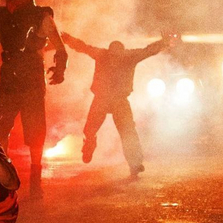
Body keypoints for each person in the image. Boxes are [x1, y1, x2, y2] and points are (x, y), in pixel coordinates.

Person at [0, 0, 68, 198]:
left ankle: (35, 182)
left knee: (35, 130)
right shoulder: (2, 17)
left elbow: (60, 47)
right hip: (9, 78)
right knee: (0, 127)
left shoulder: (41, 16)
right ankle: (2, 176)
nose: (11, 4)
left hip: (31, 79)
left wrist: (60, 68)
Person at [61, 32, 168, 176]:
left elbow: (148, 51)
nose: (114, 59)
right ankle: (89, 145)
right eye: (112, 55)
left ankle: (135, 163)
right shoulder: (102, 54)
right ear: (109, 51)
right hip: (102, 99)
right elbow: (84, 47)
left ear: (122, 53)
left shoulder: (129, 56)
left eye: (117, 55)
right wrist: (69, 40)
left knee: (128, 132)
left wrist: (162, 42)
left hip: (119, 100)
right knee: (90, 130)